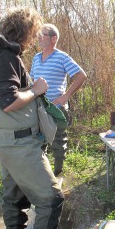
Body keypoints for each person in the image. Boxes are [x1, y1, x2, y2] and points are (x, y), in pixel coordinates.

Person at [0, 8, 64, 229]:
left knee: (14, 194)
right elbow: (8, 101)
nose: (33, 40)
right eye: (33, 34)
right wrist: (36, 90)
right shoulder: (5, 57)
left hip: (6, 139)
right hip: (19, 143)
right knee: (52, 198)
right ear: (25, 32)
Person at [30, 23, 87, 176]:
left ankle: (58, 172)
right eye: (38, 35)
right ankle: (42, 172)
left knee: (58, 140)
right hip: (38, 106)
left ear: (53, 38)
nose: (39, 38)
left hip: (56, 107)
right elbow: (32, 81)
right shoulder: (36, 57)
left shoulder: (62, 57)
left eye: (43, 35)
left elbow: (81, 76)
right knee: (38, 139)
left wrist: (66, 96)